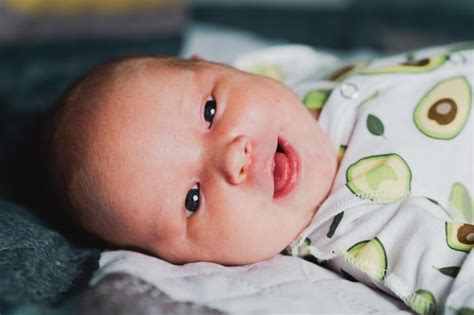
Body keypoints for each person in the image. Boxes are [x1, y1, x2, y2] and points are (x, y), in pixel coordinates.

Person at [46, 43, 473, 314]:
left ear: (216, 64)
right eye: (192, 200)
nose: (233, 158)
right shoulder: (361, 231)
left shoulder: (280, 75)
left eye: (209, 112)